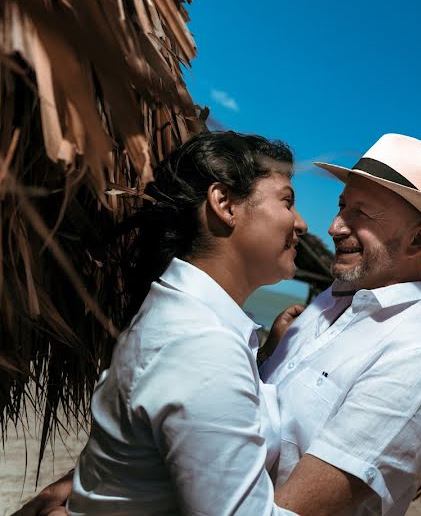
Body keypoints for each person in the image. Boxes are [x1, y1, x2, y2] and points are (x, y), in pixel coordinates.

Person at [15, 131, 307, 515]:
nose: (301, 223)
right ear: (224, 204)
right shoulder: (202, 345)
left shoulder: (184, 318)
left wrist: (263, 358)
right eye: (287, 201)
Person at [262, 133, 421, 516]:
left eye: (363, 213)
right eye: (342, 206)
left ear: (418, 238)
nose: (335, 226)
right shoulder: (327, 303)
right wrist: (271, 352)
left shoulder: (419, 354)